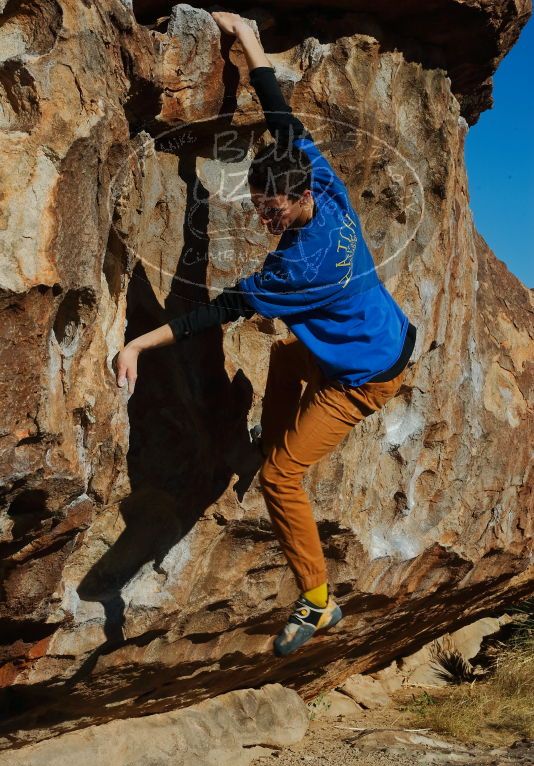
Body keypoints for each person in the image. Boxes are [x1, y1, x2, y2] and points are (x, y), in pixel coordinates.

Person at [114, 11, 417, 657]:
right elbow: (279, 111)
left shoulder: (294, 269)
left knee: (283, 479)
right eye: (257, 209)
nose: (264, 219)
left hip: (364, 378)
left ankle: (317, 600)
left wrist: (139, 342)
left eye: (271, 211)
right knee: (284, 352)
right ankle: (265, 443)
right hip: (371, 338)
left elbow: (210, 312)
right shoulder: (328, 191)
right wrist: (246, 36)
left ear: (299, 197)